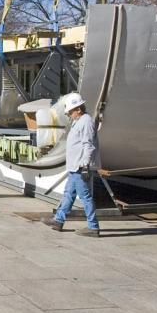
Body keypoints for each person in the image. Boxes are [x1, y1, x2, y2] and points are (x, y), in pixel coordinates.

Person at [43, 92, 100, 237]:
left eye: (70, 112)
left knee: (85, 197)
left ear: (78, 110)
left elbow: (88, 145)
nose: (69, 115)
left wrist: (86, 166)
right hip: (75, 167)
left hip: (81, 167)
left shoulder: (86, 121)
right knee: (68, 194)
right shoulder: (78, 121)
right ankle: (58, 221)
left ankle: (93, 227)